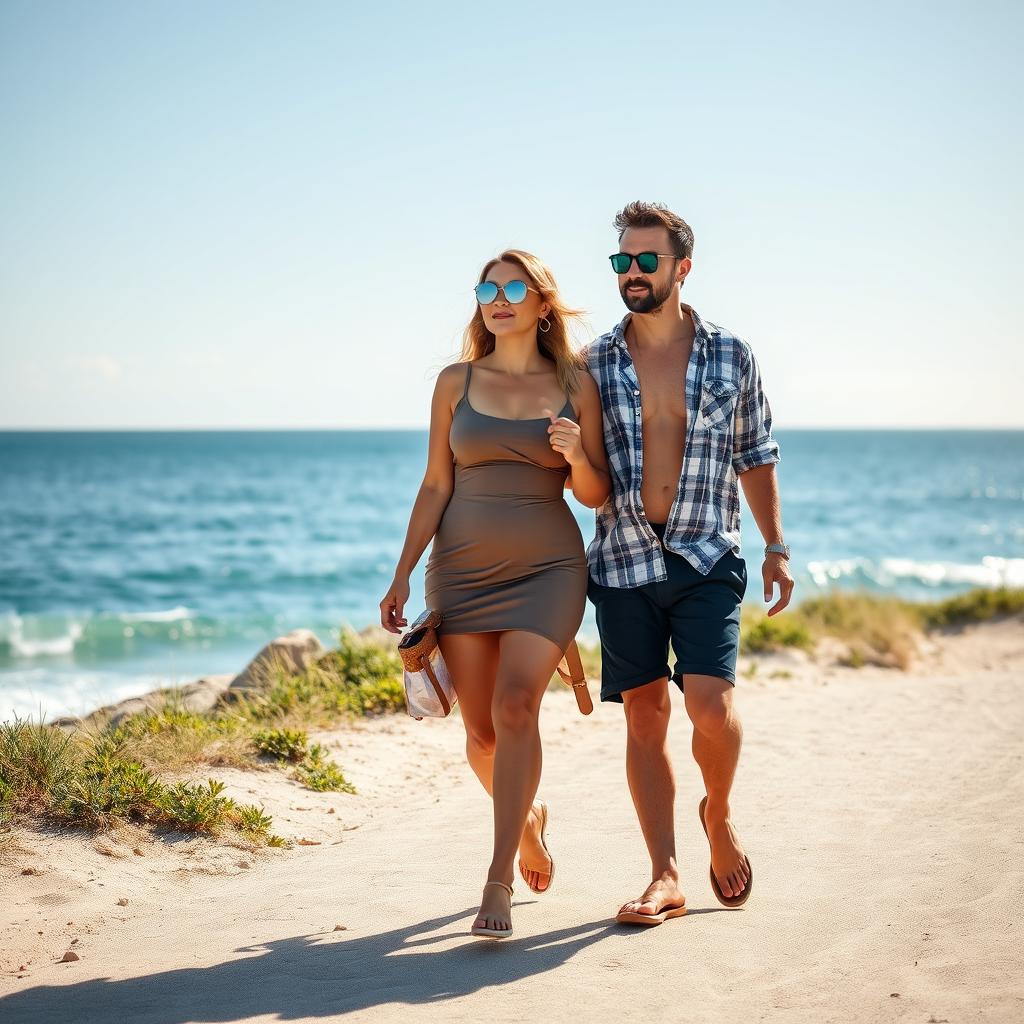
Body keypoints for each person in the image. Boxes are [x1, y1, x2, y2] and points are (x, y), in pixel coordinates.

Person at [380, 249, 610, 939]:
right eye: (489, 287)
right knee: (481, 735)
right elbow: (435, 485)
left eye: (515, 287)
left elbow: (595, 494)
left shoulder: (577, 384)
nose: (499, 297)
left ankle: (497, 879)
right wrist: (400, 574)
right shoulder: (454, 382)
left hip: (548, 572)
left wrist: (576, 455)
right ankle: (530, 820)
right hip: (461, 574)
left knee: (516, 708)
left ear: (543, 304)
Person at [584, 201, 794, 925]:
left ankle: (720, 810)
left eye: (647, 260)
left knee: (712, 706)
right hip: (623, 558)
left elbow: (755, 455)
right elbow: (579, 473)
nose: (633, 273)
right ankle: (665, 875)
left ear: (682, 268)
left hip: (708, 552)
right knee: (644, 717)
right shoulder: (595, 361)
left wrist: (777, 546)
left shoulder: (731, 354)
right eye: (622, 261)